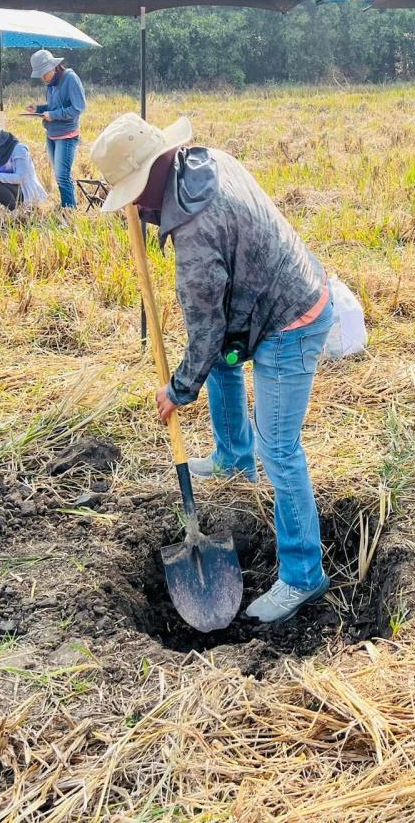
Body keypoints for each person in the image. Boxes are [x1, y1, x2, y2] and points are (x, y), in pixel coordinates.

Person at [91, 113, 335, 625]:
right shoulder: (204, 162)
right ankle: (230, 455)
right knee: (224, 360)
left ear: (157, 171)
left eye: (135, 193)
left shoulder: (197, 240)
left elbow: (203, 334)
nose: (135, 206)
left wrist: (178, 390)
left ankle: (303, 574)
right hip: (259, 297)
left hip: (290, 320)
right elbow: (214, 334)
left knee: (281, 450)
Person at [25, 49, 85, 209]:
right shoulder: (51, 84)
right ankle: (66, 205)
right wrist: (38, 108)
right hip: (51, 133)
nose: (43, 78)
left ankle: (70, 210)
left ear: (54, 66)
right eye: (41, 75)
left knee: (62, 175)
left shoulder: (70, 78)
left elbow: (78, 108)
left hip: (67, 135)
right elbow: (53, 107)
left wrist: (53, 114)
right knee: (58, 175)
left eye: (44, 73)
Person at [0, 121, 49, 210]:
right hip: (2, 189)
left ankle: (15, 211)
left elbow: (21, 177)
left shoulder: (19, 149)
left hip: (23, 190)